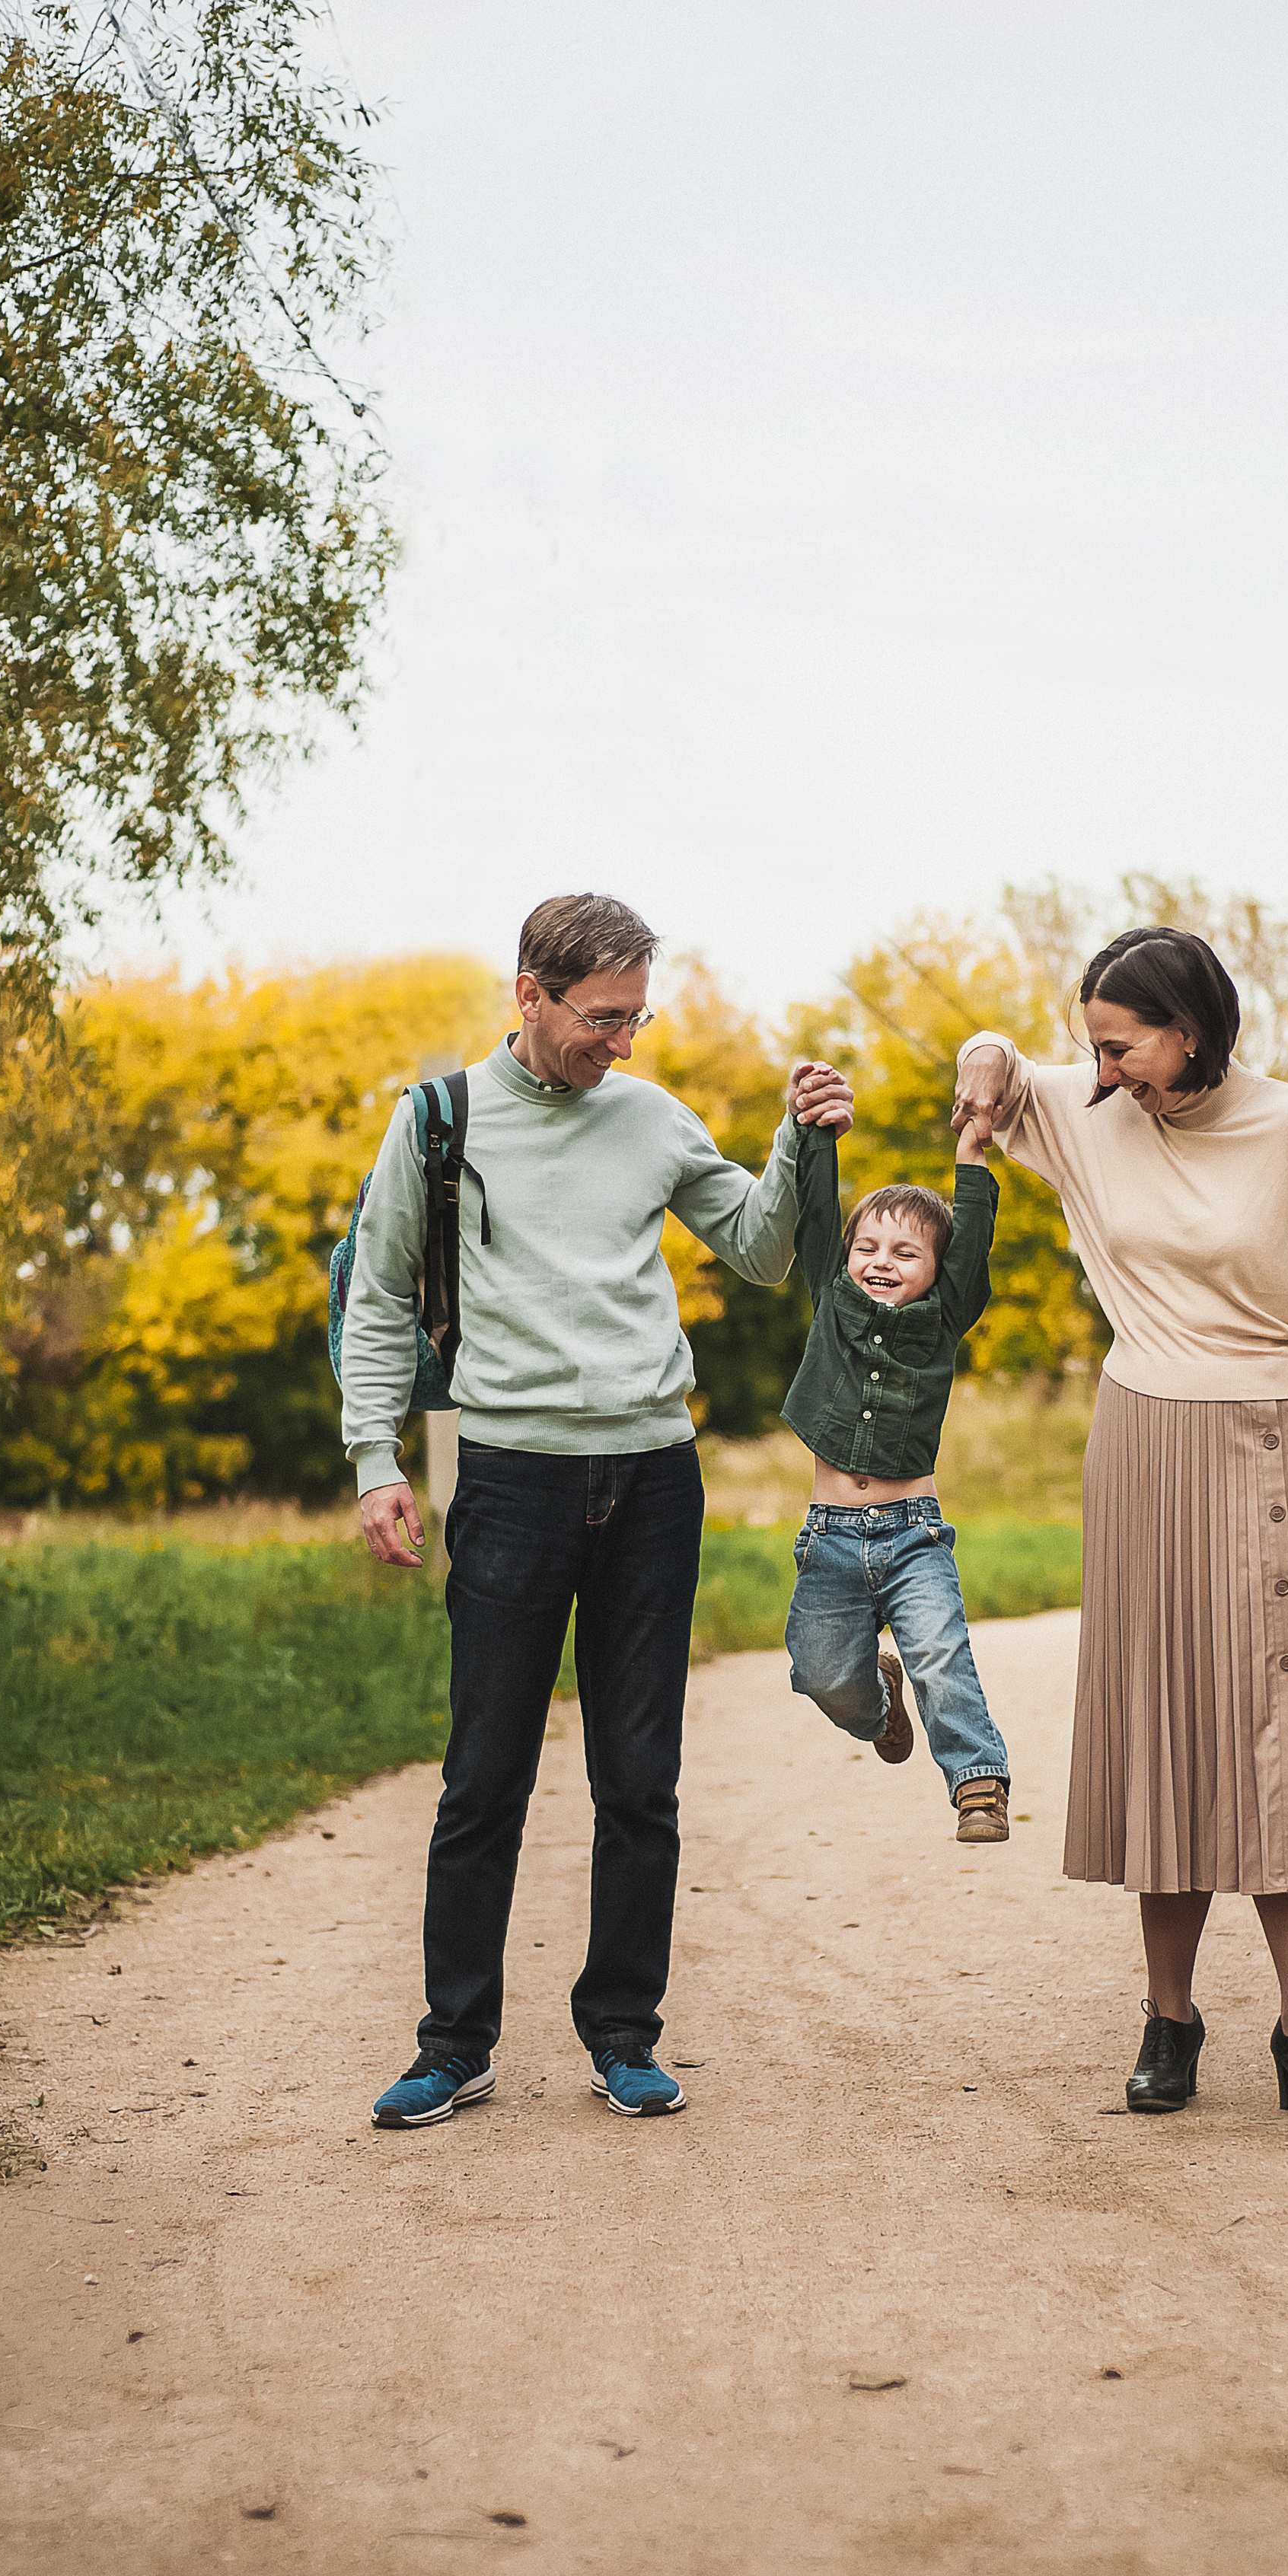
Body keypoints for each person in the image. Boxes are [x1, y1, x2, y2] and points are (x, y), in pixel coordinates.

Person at [340, 893, 853, 2128]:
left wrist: (798, 1140)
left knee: (640, 1777)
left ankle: (624, 2033)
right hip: (508, 1474)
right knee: (485, 1776)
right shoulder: (437, 1123)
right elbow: (378, 1300)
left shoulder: (652, 1116)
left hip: (652, 1475)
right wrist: (377, 1457)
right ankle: (454, 2042)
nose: (622, 1041)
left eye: (637, 1016)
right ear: (531, 992)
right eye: (602, 1017)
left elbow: (763, 1249)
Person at [952, 928, 1288, 2128]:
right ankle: (1169, 2016)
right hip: (1144, 1438)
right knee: (1163, 1720)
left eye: (1121, 1047)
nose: (1104, 1071)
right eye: (1091, 1049)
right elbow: (999, 1069)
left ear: (1190, 1029)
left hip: (1287, 1432)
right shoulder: (1091, 1101)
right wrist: (984, 1053)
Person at [778, 1101, 1014, 1841]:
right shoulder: (832, 1304)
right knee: (820, 1675)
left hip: (912, 1532)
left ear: (938, 1273)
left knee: (941, 1653)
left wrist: (972, 1155)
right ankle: (879, 1702)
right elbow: (818, 1216)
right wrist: (816, 1135)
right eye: (868, 1248)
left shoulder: (945, 1316)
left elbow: (972, 1246)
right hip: (829, 1539)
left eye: (905, 1252)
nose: (880, 1261)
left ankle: (977, 1782)